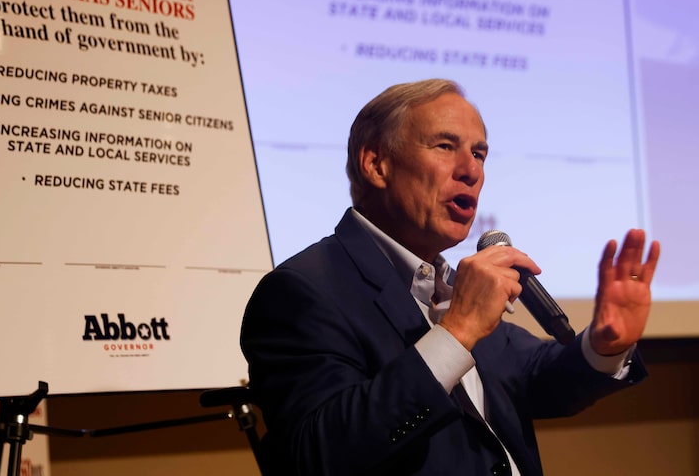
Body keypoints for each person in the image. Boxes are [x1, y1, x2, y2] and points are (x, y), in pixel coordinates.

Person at [240, 79, 659, 476]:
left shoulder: (446, 283)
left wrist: (606, 344)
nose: (471, 171)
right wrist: (456, 332)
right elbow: (318, 455)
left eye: (479, 154)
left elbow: (538, 375)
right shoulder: (301, 291)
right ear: (375, 164)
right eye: (445, 146)